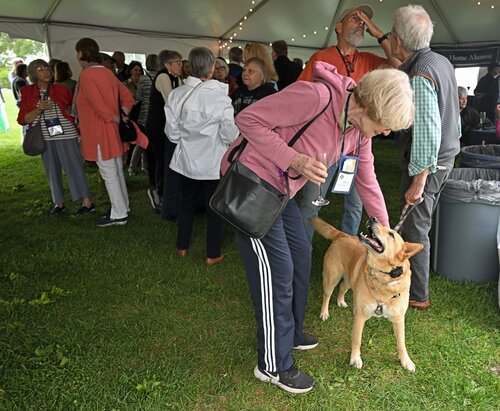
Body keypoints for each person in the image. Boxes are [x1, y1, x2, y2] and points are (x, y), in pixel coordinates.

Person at [220, 63, 414, 393]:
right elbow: (247, 120)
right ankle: (272, 365)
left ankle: (290, 333)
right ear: (371, 106)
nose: (385, 133)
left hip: (281, 192)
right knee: (277, 273)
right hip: (251, 187)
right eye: (385, 126)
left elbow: (368, 181)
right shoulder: (314, 97)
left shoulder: (357, 133)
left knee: (301, 255)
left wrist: (384, 227)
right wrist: (293, 159)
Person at [297, 3, 400, 242]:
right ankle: (303, 253)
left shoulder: (368, 59)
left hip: (358, 145)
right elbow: (301, 96)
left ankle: (347, 254)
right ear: (338, 27)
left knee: (356, 205)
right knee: (312, 203)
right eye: (355, 18)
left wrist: (378, 33)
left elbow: (398, 65)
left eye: (364, 20)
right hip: (325, 145)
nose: (361, 22)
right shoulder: (321, 58)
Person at [391, 5, 461, 310]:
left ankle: (417, 294)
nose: (391, 39)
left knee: (416, 224)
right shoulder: (438, 60)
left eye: (393, 34)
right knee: (421, 221)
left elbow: (427, 132)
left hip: (432, 159)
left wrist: (419, 179)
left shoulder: (420, 73)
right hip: (448, 151)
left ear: (400, 40)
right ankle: (416, 281)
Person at [165, 47, 239, 265]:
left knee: (186, 202)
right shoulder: (219, 98)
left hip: (186, 159)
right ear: (210, 69)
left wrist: (188, 140)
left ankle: (182, 246)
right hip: (211, 161)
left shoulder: (176, 94)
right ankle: (212, 253)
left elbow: (172, 133)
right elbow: (229, 134)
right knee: (214, 207)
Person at [17, 59, 94, 215]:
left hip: (66, 134)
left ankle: (87, 203)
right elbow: (22, 119)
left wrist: (68, 111)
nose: (45, 71)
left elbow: (75, 110)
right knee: (51, 170)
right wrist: (38, 109)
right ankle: (58, 203)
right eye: (40, 69)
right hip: (44, 137)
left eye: (47, 68)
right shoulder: (27, 92)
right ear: (33, 74)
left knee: (74, 167)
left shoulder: (62, 89)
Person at [75, 38, 135, 226]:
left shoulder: (86, 75)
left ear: (81, 53)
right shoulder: (108, 74)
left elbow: (98, 106)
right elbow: (127, 97)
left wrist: (116, 117)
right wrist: (122, 115)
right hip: (112, 131)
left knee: (110, 172)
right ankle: (122, 207)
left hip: (99, 131)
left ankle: (119, 213)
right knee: (115, 170)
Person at [145, 50, 183, 217]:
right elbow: (172, 101)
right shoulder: (162, 77)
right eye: (178, 62)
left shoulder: (177, 78)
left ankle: (167, 192)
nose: (181, 65)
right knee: (161, 159)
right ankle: (157, 192)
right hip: (158, 126)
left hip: (169, 127)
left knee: (169, 160)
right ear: (168, 64)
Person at [129, 54, 157, 177]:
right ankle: (145, 166)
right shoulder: (162, 77)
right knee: (152, 142)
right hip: (156, 114)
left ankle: (133, 167)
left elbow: (139, 97)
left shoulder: (143, 79)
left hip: (144, 114)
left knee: (141, 142)